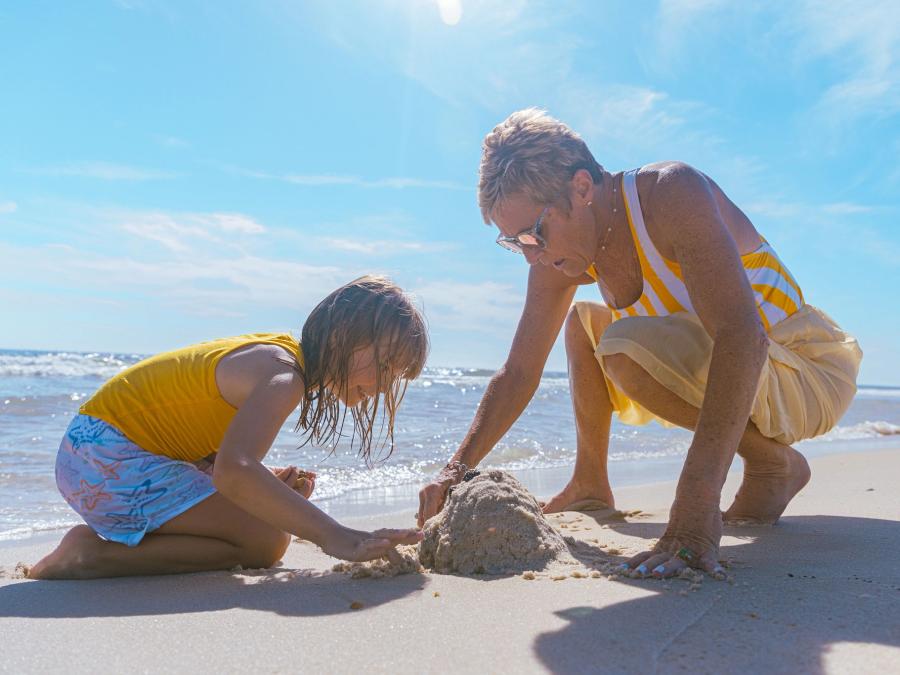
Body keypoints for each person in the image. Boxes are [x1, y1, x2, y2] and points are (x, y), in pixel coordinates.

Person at [417, 108, 862, 578]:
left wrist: (696, 504)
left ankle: (771, 463)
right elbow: (520, 373)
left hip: (802, 370)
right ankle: (591, 481)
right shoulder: (558, 256)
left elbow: (742, 335)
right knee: (583, 325)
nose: (531, 255)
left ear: (582, 188)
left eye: (534, 234)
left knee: (622, 344)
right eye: (514, 243)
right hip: (736, 375)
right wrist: (454, 471)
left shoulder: (671, 194)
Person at [29, 275, 428, 579]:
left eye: (395, 377)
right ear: (344, 336)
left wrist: (268, 487)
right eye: (384, 366)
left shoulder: (279, 357)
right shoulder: (285, 376)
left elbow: (197, 442)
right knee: (264, 541)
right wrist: (337, 536)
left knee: (266, 523)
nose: (382, 386)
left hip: (91, 452)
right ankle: (90, 557)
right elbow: (234, 470)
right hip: (107, 460)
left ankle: (109, 547)